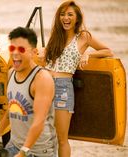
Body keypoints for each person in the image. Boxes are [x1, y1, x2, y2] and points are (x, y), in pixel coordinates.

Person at [44, 1, 114, 157]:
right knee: (45, 135)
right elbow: (47, 58)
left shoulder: (84, 36)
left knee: (62, 138)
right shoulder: (56, 36)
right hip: (44, 86)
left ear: (77, 18)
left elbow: (108, 51)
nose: (65, 18)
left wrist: (88, 54)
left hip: (63, 88)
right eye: (62, 14)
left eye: (70, 14)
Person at [0, 27, 57, 157]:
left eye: (21, 49)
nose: (15, 53)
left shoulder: (42, 79)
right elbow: (13, 108)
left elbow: (39, 121)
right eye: (12, 49)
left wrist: (24, 151)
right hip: (15, 145)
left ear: (34, 52)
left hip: (38, 152)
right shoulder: (11, 73)